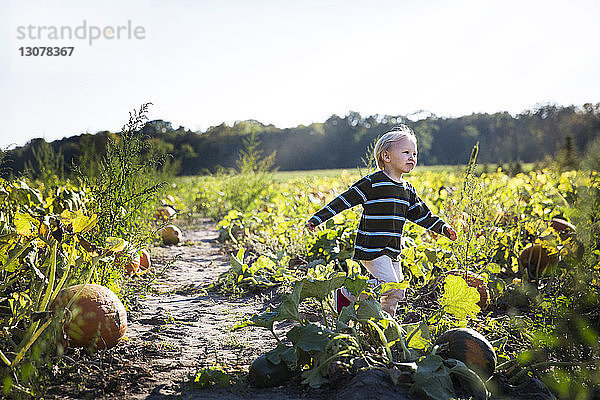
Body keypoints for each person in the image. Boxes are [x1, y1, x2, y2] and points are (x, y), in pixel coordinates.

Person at [306, 125, 457, 317]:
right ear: (386, 157)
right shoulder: (372, 183)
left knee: (398, 290)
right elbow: (344, 200)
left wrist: (443, 228)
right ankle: (347, 294)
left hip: (393, 249)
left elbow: (422, 215)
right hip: (373, 247)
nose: (412, 157)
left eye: (414, 153)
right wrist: (319, 218)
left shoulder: (407, 190)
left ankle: (386, 321)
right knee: (390, 285)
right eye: (406, 152)